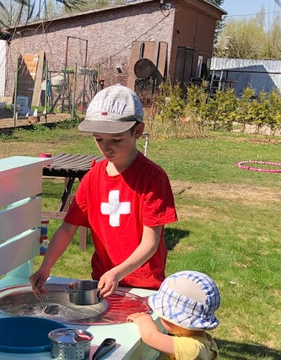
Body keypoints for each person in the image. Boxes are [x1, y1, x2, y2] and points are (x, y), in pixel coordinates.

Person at [30, 85, 177, 297]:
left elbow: (150, 242)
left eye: (116, 140)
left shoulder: (153, 178)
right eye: (99, 139)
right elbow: (67, 229)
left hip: (144, 285)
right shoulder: (92, 178)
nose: (106, 148)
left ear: (137, 131)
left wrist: (117, 273)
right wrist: (45, 267)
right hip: (104, 282)